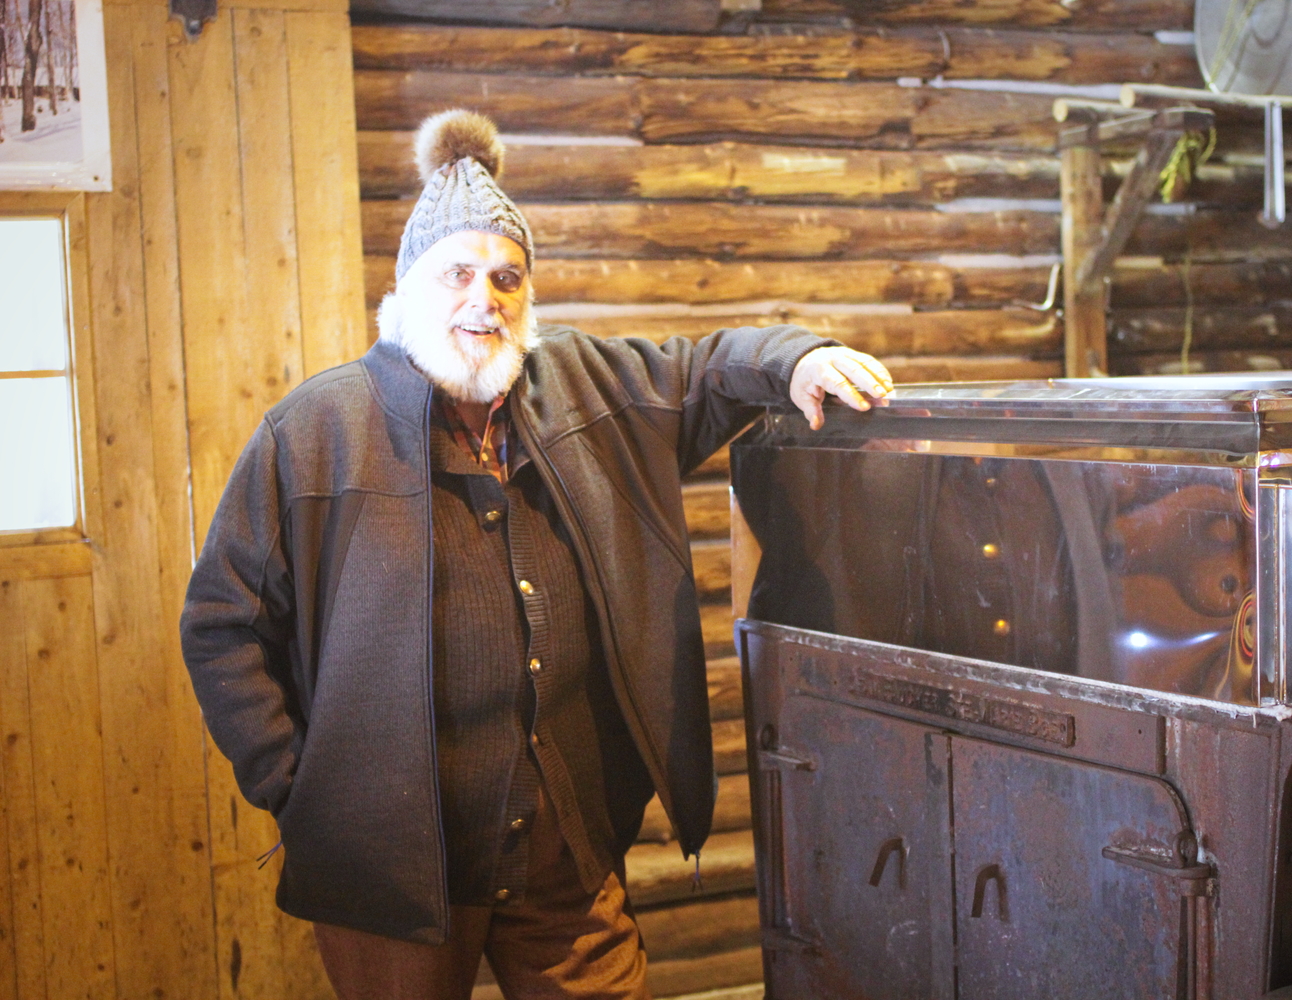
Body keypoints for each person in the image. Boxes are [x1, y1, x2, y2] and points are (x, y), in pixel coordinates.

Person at [179, 108, 893, 1000]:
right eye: (459, 274)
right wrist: (301, 789)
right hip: (389, 860)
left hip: (565, 844)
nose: (486, 297)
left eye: (507, 277)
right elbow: (221, 626)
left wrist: (800, 358)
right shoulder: (317, 431)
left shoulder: (582, 384)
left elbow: (708, 367)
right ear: (405, 293)